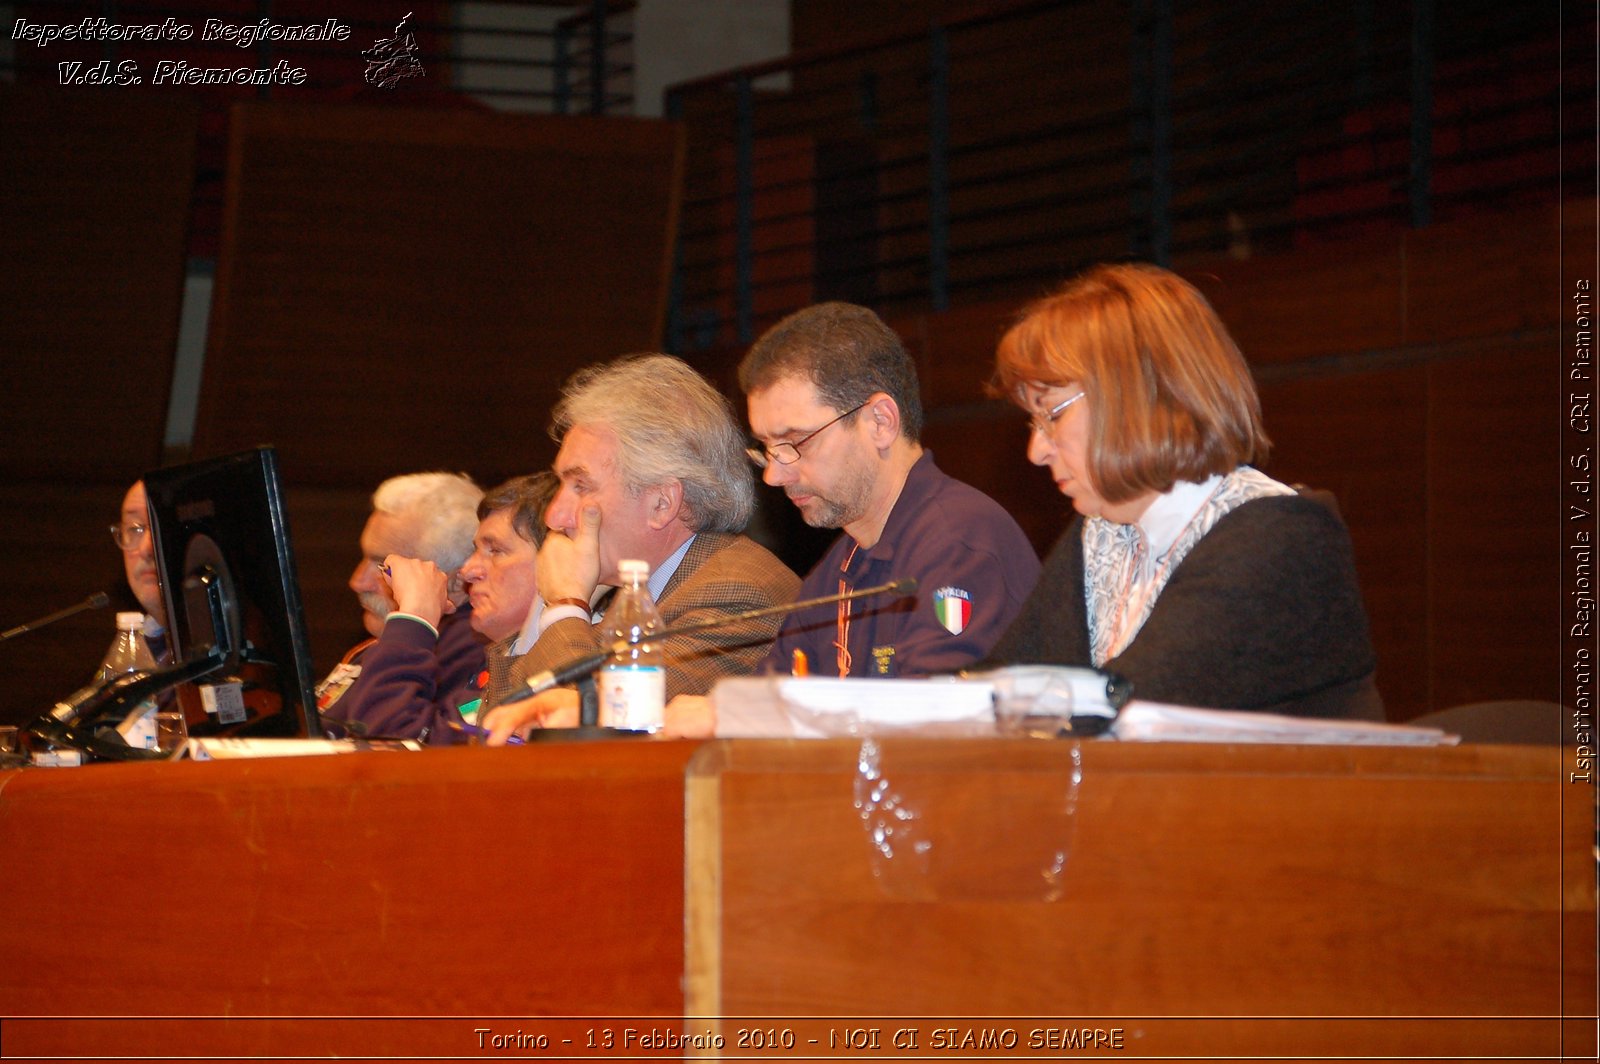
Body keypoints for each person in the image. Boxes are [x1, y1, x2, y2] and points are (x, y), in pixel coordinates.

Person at [981, 262, 1383, 719]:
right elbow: (998, 687)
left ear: (1133, 396)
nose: (1036, 450)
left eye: (1052, 414)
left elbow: (1127, 706)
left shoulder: (1280, 537)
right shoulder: (1099, 535)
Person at [478, 354, 800, 741]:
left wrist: (565, 605)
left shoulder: (739, 595)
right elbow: (497, 726)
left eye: (581, 486)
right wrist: (551, 604)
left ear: (662, 503)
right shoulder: (622, 588)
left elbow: (592, 737)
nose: (555, 516)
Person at [740, 301, 1039, 679]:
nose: (774, 476)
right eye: (768, 449)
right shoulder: (836, 568)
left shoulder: (961, 543)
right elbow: (771, 700)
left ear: (880, 422)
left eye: (797, 441)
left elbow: (933, 723)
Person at [322, 471, 487, 742]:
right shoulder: (397, 640)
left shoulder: (472, 647)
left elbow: (386, 742)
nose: (357, 581)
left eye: (383, 566)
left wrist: (413, 622)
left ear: (456, 582)